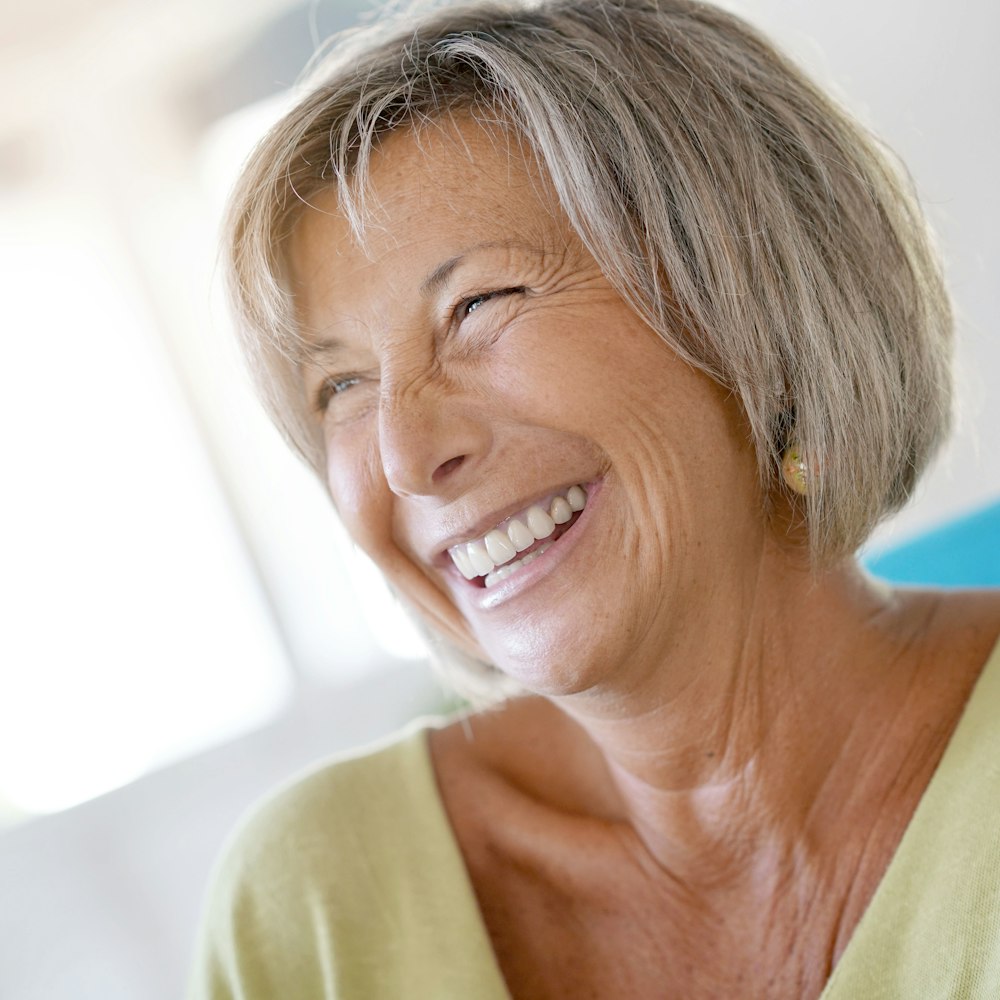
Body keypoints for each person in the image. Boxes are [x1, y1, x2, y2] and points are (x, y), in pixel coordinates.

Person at [188, 0, 1000, 996]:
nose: (403, 454)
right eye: (340, 388)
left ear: (750, 302)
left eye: (478, 305)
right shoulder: (313, 907)